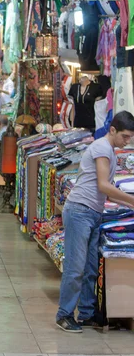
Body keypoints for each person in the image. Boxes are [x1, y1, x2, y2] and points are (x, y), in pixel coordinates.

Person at [56, 111, 134, 333]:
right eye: (125, 137)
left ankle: (87, 314)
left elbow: (106, 193)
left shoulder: (109, 150)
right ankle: (64, 315)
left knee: (91, 267)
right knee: (76, 267)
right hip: (80, 212)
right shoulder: (101, 148)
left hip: (92, 213)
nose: (127, 141)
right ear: (113, 130)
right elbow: (103, 185)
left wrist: (128, 205)